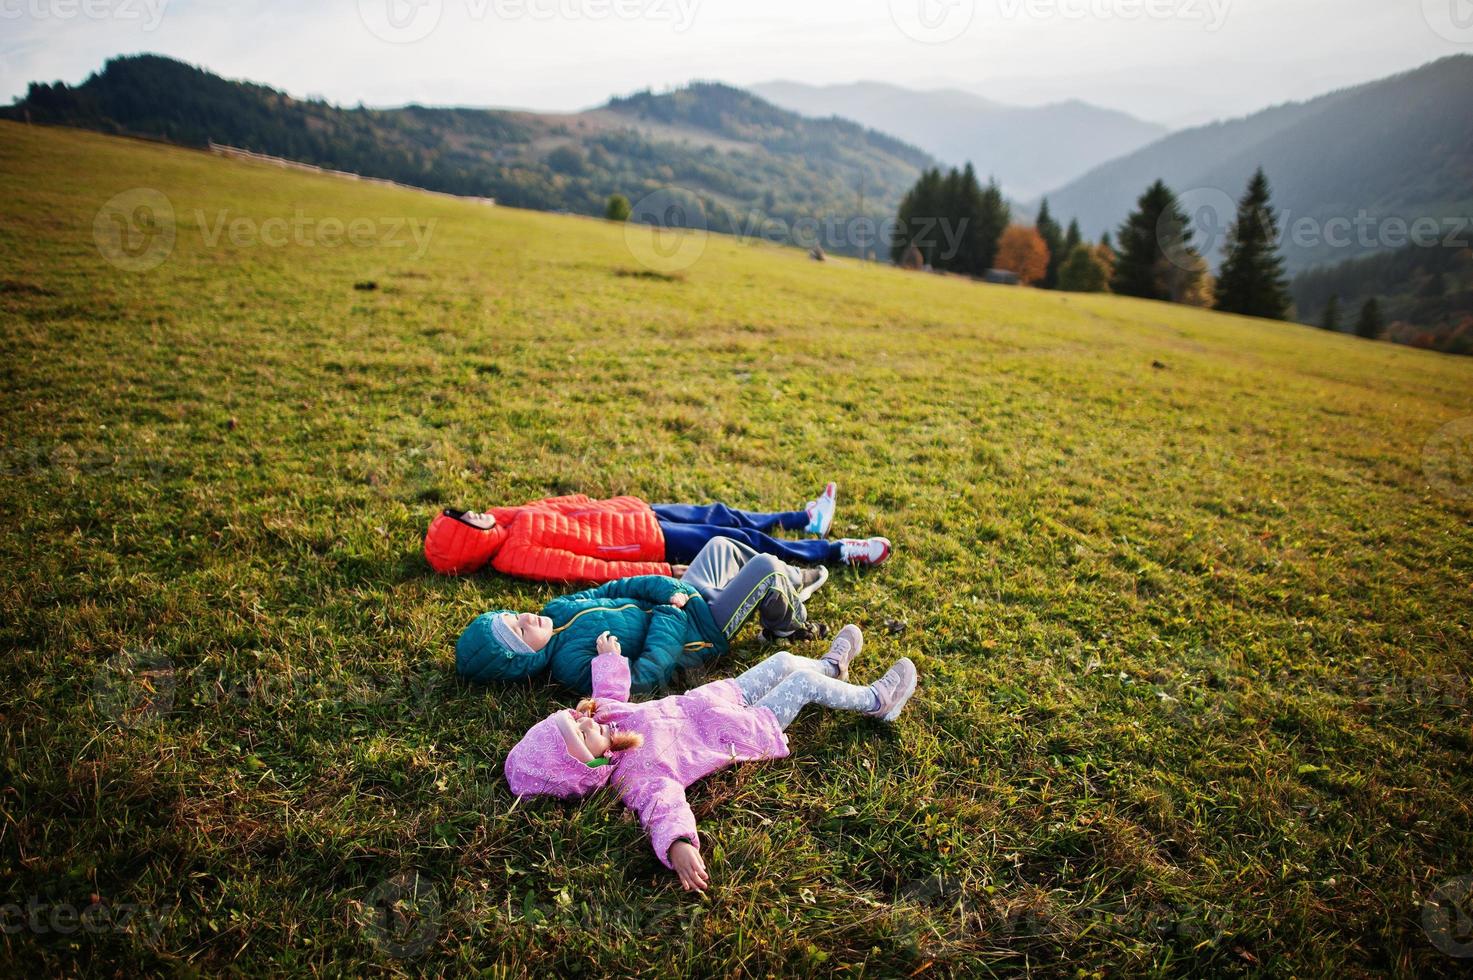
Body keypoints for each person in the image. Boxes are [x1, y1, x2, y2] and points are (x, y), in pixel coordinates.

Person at [503, 627, 919, 891]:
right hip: (741, 728)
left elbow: (610, 692)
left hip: (721, 696)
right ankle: (876, 702)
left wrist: (609, 657)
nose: (586, 721)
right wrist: (679, 844)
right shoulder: (635, 773)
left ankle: (832, 666)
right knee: (802, 684)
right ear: (584, 767)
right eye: (580, 734)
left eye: (575, 720)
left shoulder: (608, 719)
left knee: (784, 662)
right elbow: (662, 806)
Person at [457, 536, 830, 696]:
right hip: (700, 628)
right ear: (526, 658)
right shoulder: (572, 664)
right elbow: (645, 677)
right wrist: (669, 613)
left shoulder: (555, 610)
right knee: (764, 568)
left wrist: (666, 588)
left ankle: (793, 577)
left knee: (719, 547)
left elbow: (611, 590)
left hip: (683, 597)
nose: (526, 617)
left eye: (514, 616)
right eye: (521, 631)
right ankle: (788, 624)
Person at [424, 482, 892, 584]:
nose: (474, 513)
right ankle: (832, 550)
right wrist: (664, 569)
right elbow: (589, 569)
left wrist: (618, 504)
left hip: (638, 514)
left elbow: (569, 505)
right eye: (467, 520)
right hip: (648, 543)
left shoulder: (506, 516)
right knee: (739, 543)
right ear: (470, 541)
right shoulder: (515, 553)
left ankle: (802, 516)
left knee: (721, 513)